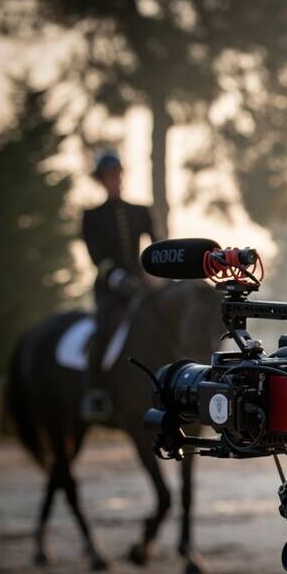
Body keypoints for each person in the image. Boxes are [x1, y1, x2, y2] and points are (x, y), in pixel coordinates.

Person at [81, 149, 158, 422]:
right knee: (103, 329)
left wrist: (155, 274)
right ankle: (98, 392)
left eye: (117, 174)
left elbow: (156, 244)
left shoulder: (140, 211)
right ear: (101, 180)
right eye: (108, 176)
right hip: (109, 289)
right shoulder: (92, 216)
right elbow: (97, 257)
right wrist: (117, 278)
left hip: (141, 284)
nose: (114, 180)